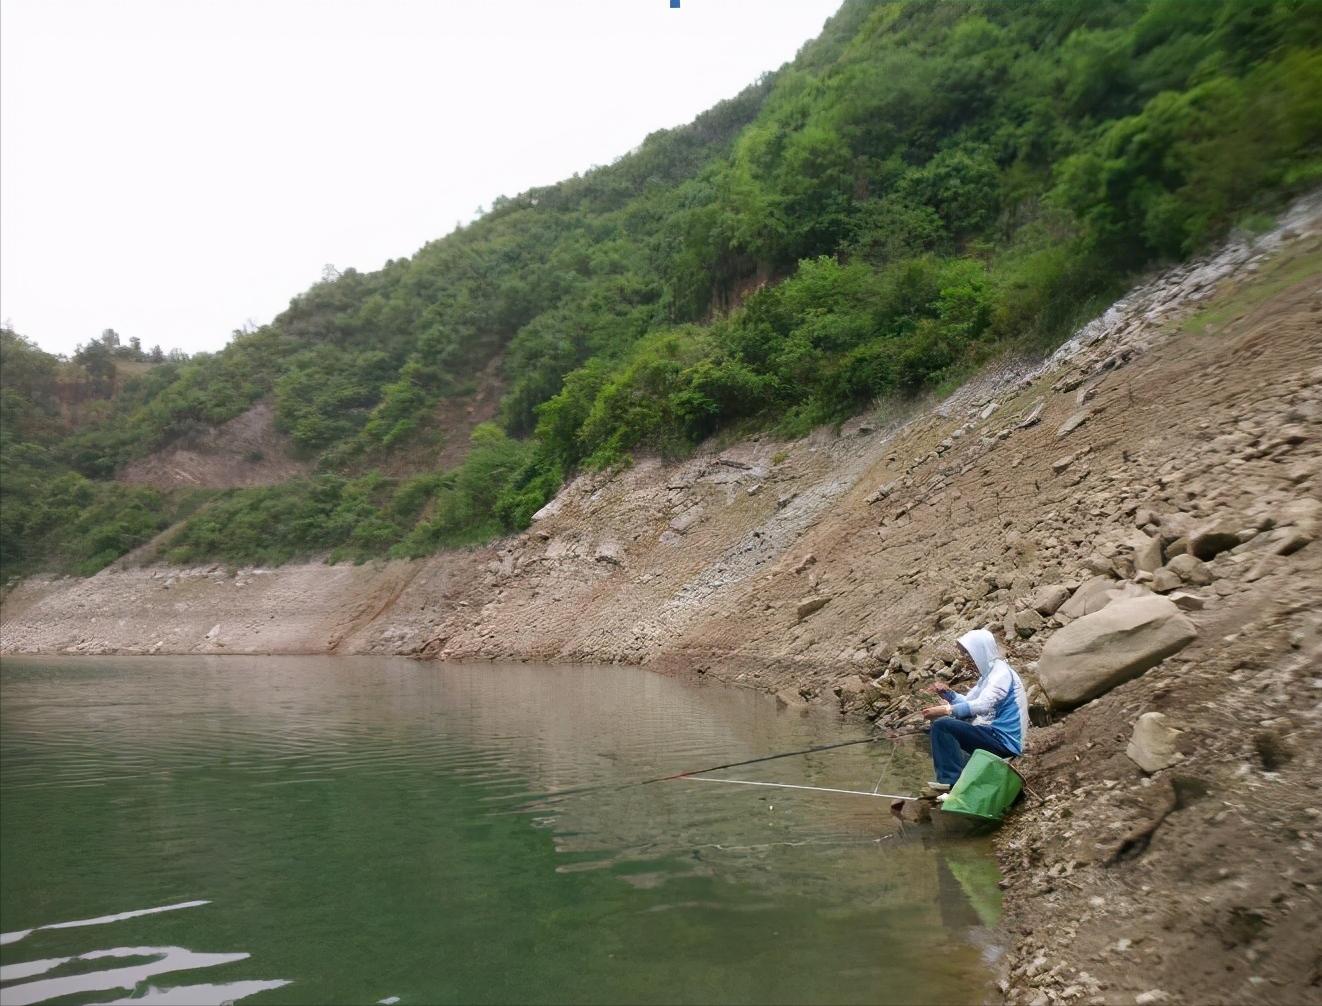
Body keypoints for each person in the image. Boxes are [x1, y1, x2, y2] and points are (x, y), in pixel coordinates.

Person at [920, 628, 1028, 790]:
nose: (966, 659)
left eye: (968, 654)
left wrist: (945, 710)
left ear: (980, 651)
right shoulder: (989, 675)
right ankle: (957, 779)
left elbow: (983, 705)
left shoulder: (1001, 674)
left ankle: (950, 783)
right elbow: (970, 702)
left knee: (943, 725)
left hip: (1004, 742)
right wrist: (949, 694)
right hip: (992, 735)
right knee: (943, 727)